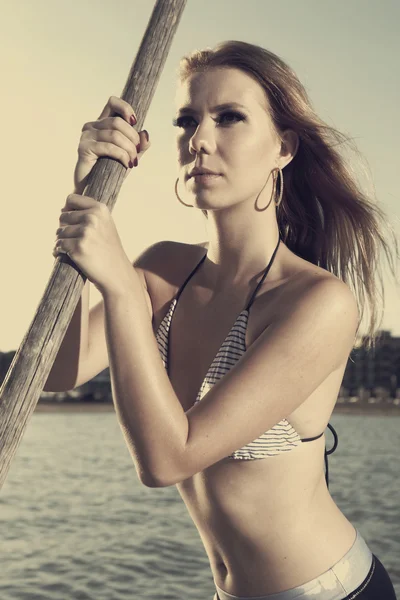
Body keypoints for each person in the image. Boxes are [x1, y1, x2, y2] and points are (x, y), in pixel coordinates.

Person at [49, 41, 398, 599]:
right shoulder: (163, 268)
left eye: (229, 117)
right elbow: (55, 370)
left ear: (283, 147)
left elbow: (167, 460)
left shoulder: (315, 303)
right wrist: (85, 193)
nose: (199, 140)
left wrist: (118, 286)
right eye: (186, 121)